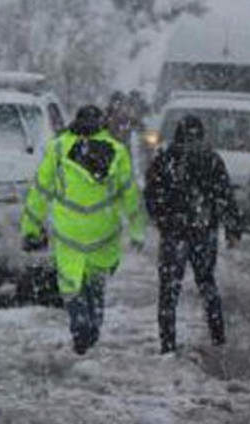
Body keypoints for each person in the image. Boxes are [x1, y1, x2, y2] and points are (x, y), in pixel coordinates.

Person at [21, 105, 146, 355]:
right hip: (103, 231)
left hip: (69, 231)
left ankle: (79, 323)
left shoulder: (57, 149)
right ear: (101, 125)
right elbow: (129, 194)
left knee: (71, 282)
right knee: (96, 283)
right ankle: (94, 325)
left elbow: (40, 192)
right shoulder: (118, 152)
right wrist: (137, 230)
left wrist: (31, 228)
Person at [144, 115, 242, 354]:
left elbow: (151, 195)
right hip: (203, 231)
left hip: (174, 233)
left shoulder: (165, 160)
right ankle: (218, 336)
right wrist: (232, 228)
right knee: (207, 283)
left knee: (169, 290)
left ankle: (167, 343)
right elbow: (225, 196)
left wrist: (162, 219)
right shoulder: (211, 159)